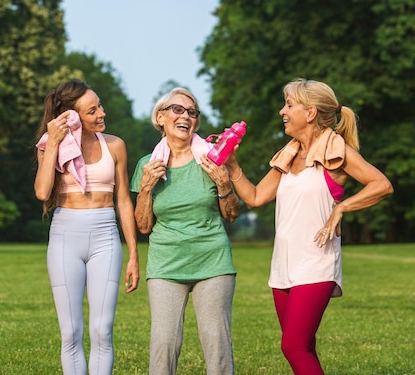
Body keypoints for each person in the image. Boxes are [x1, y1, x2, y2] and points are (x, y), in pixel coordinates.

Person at [220, 78, 393, 375]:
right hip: (283, 267)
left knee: (293, 347)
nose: (281, 112)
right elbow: (256, 197)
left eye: (289, 105)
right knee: (304, 347)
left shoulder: (336, 152)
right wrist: (233, 167)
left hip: (316, 263)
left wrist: (342, 207)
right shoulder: (288, 155)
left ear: (310, 112)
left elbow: (381, 184)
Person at [34, 79, 140, 375]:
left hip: (105, 236)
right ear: (71, 116)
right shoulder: (50, 146)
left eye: (100, 105)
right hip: (65, 236)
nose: (101, 113)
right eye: (92, 111)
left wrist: (133, 254)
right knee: (70, 333)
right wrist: (53, 141)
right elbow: (42, 192)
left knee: (102, 330)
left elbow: (123, 202)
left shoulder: (116, 146)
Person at [131, 87, 239, 375]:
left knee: (217, 345)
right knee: (163, 345)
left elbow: (230, 215)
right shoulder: (147, 165)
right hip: (166, 264)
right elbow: (143, 225)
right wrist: (145, 188)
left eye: (192, 113)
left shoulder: (211, 161)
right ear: (161, 117)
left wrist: (224, 183)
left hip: (213, 261)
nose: (186, 116)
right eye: (178, 109)